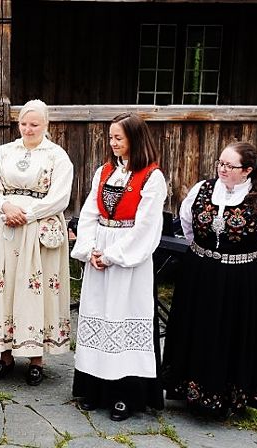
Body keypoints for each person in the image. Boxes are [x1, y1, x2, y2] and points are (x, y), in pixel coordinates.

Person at [162, 142, 257, 418]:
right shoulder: (202, 189)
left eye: (229, 166)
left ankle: (229, 397)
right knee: (196, 329)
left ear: (247, 170)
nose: (222, 169)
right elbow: (187, 226)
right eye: (220, 163)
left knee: (233, 333)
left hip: (242, 279)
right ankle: (190, 392)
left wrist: (243, 257)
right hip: (199, 275)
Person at [70, 112, 166, 421]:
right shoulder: (104, 171)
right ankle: (95, 389)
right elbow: (87, 213)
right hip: (100, 250)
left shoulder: (152, 177)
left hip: (127, 260)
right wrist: (89, 250)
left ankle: (126, 395)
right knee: (98, 315)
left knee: (123, 320)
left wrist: (112, 255)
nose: (112, 143)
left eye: (118, 138)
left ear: (135, 139)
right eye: (110, 137)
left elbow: (146, 228)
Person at [0, 99, 73, 386]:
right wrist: (6, 207)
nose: (28, 129)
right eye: (24, 124)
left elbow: (59, 198)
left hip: (36, 228)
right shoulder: (4, 152)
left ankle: (36, 357)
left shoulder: (57, 156)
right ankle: (4, 353)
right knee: (4, 283)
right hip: (5, 226)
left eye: (35, 124)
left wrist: (27, 214)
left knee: (34, 287)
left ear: (45, 125)